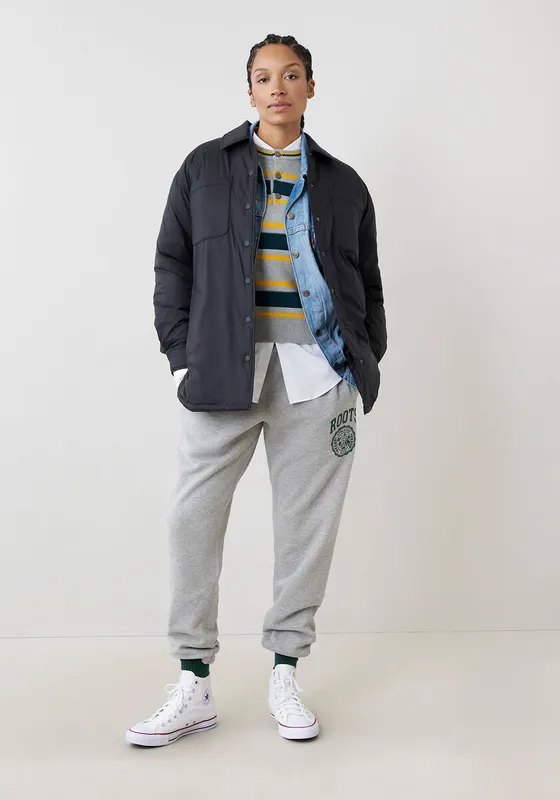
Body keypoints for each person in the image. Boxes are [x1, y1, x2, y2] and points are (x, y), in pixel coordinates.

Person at [126, 32, 387, 747]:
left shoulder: (344, 183)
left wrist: (363, 361)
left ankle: (286, 670)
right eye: (265, 77)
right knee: (191, 518)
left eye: (291, 74)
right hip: (221, 371)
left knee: (307, 530)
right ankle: (193, 680)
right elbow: (171, 265)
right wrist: (181, 360)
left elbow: (368, 282)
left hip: (319, 375)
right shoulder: (204, 168)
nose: (278, 87)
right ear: (250, 91)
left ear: (310, 87)